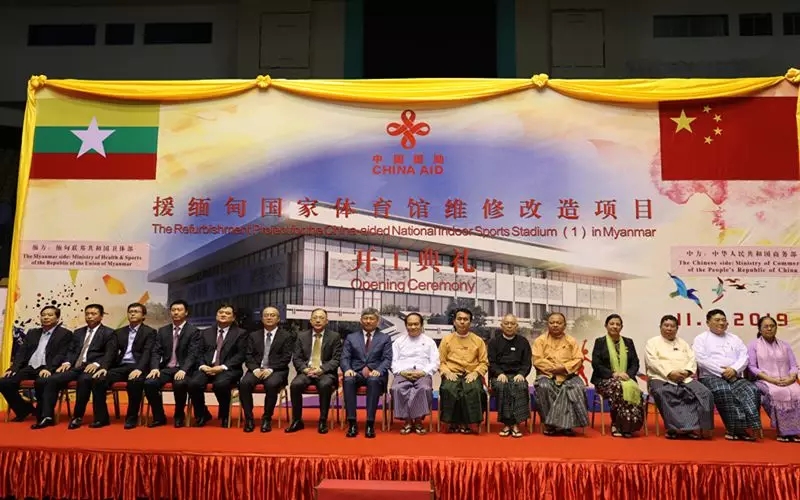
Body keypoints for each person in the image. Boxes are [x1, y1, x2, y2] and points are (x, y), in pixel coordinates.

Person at [693, 309, 761, 441]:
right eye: (717, 320)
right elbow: (701, 359)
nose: (721, 323)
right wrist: (722, 371)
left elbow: (744, 357)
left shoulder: (734, 338)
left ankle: (751, 428)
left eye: (723, 320)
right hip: (710, 377)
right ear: (708, 322)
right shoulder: (701, 339)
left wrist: (734, 370)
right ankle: (734, 430)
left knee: (751, 389)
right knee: (723, 390)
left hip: (734, 375)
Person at [645, 314, 714, 439]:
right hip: (660, 377)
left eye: (672, 326)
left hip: (684, 378)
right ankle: (675, 429)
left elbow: (692, 360)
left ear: (677, 328)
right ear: (660, 327)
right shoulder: (652, 343)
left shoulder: (683, 343)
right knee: (665, 392)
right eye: (666, 325)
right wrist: (670, 373)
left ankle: (696, 428)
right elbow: (652, 362)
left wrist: (687, 372)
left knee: (704, 393)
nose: (669, 328)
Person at [0, 306, 73, 423]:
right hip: (30, 367)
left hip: (47, 367)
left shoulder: (65, 334)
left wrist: (50, 369)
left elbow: (61, 354)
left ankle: (43, 413)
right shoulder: (32, 332)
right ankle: (23, 409)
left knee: (42, 382)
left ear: (57, 318)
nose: (46, 317)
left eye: (50, 315)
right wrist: (13, 368)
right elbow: (21, 353)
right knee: (4, 382)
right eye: (43, 315)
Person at [96, 303, 156, 429]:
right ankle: (102, 418)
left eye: (136, 311)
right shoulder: (119, 332)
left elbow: (147, 353)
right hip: (121, 366)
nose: (132, 314)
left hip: (138, 367)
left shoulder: (150, 332)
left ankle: (131, 418)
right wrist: (104, 367)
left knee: (135, 382)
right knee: (98, 380)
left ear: (143, 316)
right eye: (130, 311)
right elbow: (111, 352)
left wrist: (139, 369)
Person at [186, 303, 247, 427]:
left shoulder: (241, 333)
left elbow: (241, 355)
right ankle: (202, 414)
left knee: (220, 384)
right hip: (207, 368)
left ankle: (225, 415)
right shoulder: (205, 333)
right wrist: (202, 366)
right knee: (193, 384)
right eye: (220, 312)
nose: (223, 315)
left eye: (227, 313)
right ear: (216, 315)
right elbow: (198, 352)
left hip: (228, 369)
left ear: (233, 318)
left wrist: (222, 367)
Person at [143, 299, 200, 428]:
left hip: (184, 369)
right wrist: (155, 368)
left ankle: (179, 415)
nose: (176, 312)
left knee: (180, 384)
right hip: (167, 368)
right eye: (173, 310)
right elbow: (156, 351)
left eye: (179, 310)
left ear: (186, 312)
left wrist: (184, 369)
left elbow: (193, 354)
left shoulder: (193, 331)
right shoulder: (163, 331)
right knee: (150, 383)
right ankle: (159, 416)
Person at [239, 306, 296, 433]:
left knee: (271, 384)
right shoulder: (253, 335)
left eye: (272, 315)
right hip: (256, 370)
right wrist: (255, 369)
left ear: (278, 319)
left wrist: (270, 369)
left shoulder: (286, 336)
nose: (269, 317)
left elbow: (286, 358)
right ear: (262, 318)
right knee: (244, 384)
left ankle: (267, 418)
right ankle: (249, 419)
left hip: (277, 370)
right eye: (266, 315)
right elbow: (248, 355)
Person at [286, 308, 342, 434]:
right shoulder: (301, 336)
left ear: (327, 321)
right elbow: (297, 358)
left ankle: (322, 420)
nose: (318, 320)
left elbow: (336, 359)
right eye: (315, 318)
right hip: (307, 371)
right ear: (310, 321)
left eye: (321, 318)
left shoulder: (334, 337)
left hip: (325, 373)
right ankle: (297, 420)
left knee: (325, 385)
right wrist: (305, 369)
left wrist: (322, 369)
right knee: (295, 385)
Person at [533, 312, 589, 436]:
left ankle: (568, 425)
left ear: (564, 325)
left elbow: (579, 359)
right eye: (552, 322)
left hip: (568, 375)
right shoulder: (540, 340)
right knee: (544, 387)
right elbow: (537, 360)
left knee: (577, 387)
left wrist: (564, 368)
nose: (555, 325)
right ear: (548, 324)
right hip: (547, 375)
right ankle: (550, 425)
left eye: (558, 323)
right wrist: (553, 369)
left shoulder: (571, 341)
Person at [747, 315, 800, 442]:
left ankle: (795, 431)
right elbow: (752, 367)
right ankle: (783, 431)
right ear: (760, 329)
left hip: (787, 380)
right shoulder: (753, 345)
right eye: (766, 326)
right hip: (764, 380)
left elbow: (794, 365)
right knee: (777, 392)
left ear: (776, 328)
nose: (769, 329)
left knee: (797, 392)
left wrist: (792, 377)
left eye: (772, 326)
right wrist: (771, 380)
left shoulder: (785, 345)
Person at [341, 308, 393, 438]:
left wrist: (379, 370)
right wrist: (347, 369)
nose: (368, 321)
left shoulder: (385, 338)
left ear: (378, 321)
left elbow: (387, 359)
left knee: (373, 381)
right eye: (365, 318)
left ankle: (370, 424)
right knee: (348, 380)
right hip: (356, 373)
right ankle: (352, 423)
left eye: (371, 319)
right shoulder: (351, 337)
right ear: (361, 320)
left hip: (376, 374)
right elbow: (345, 357)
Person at [590, 314, 644, 437]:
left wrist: (628, 374)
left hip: (626, 379)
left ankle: (630, 425)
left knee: (631, 388)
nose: (615, 326)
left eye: (618, 324)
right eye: (612, 324)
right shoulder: (600, 342)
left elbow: (635, 363)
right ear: (606, 326)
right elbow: (596, 364)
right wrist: (614, 374)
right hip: (604, 380)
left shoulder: (628, 342)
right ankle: (617, 424)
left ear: (621, 327)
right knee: (618, 387)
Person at [438, 308, 488, 434]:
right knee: (448, 389)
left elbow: (484, 362)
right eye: (459, 319)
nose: (462, 322)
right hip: (452, 373)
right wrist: (447, 372)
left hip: (471, 373)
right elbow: (441, 362)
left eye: (465, 319)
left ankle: (470, 423)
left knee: (474, 389)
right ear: (454, 321)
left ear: (470, 322)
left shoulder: (478, 341)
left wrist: (476, 373)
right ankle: (451, 423)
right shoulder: (446, 340)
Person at [391, 312, 439, 435]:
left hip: (423, 374)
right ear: (406, 325)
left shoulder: (429, 342)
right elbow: (393, 362)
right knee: (397, 389)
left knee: (424, 389)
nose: (413, 327)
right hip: (403, 374)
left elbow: (435, 362)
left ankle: (418, 421)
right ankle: (407, 421)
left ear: (421, 325)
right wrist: (402, 372)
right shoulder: (398, 342)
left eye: (416, 324)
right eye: (410, 324)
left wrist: (424, 372)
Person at [488, 314, 532, 438]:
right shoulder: (494, 342)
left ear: (516, 326)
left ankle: (513, 424)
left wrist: (521, 374)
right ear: (501, 325)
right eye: (506, 323)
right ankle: (509, 424)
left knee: (520, 385)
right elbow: (492, 362)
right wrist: (499, 373)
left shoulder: (523, 342)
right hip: (499, 376)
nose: (509, 326)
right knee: (503, 386)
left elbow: (527, 362)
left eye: (512, 324)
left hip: (517, 375)